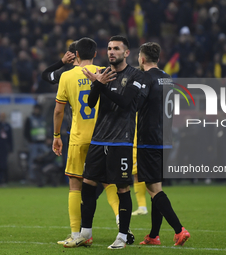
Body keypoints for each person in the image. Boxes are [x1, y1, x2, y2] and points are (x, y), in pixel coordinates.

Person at [64, 35, 145, 249]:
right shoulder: (103, 74)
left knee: (122, 188)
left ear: (126, 53)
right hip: (99, 139)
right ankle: (85, 233)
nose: (111, 52)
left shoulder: (135, 75)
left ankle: (122, 236)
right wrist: (97, 84)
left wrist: (101, 85)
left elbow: (125, 102)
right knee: (88, 184)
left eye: (116, 48)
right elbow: (91, 103)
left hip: (121, 141)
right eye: (109, 48)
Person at [47, 39, 120, 245]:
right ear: (95, 54)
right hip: (104, 137)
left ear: (76, 55)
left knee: (75, 184)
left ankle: (77, 234)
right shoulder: (106, 72)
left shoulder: (66, 76)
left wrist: (56, 136)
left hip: (79, 137)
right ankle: (122, 224)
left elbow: (59, 110)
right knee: (108, 182)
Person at [136, 42, 190, 246]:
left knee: (154, 190)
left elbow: (136, 105)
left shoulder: (145, 78)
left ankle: (179, 230)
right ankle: (153, 236)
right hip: (166, 141)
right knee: (155, 187)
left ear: (142, 59)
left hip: (149, 140)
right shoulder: (168, 79)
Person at [24, 104, 48, 182]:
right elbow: (26, 131)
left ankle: (44, 175)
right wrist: (29, 140)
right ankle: (32, 177)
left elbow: (46, 130)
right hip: (33, 143)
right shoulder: (30, 119)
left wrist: (47, 138)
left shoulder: (43, 119)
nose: (37, 110)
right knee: (32, 160)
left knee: (46, 157)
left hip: (42, 143)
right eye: (36, 109)